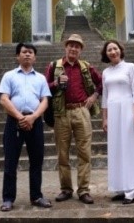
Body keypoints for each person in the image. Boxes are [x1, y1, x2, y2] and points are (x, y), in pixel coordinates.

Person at [44, 33, 103, 204]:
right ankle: (66, 189)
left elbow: (101, 82)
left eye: (77, 46)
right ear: (66, 47)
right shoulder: (54, 66)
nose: (74, 48)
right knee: (62, 154)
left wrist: (94, 96)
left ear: (81, 50)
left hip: (81, 111)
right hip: (61, 113)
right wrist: (55, 83)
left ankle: (83, 190)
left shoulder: (86, 66)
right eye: (71, 45)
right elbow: (43, 88)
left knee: (84, 153)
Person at [0, 42, 52, 212]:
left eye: (30, 52)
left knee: (36, 161)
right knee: (10, 162)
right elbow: (4, 99)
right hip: (15, 122)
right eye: (24, 52)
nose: (27, 54)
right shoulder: (9, 76)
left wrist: (34, 117)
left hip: (35, 122)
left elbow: (45, 100)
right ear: (18, 56)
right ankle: (8, 198)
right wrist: (21, 117)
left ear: (35, 57)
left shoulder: (41, 78)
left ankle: (36, 196)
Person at [100, 40, 134, 204]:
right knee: (116, 149)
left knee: (130, 148)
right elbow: (105, 97)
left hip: (128, 110)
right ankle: (121, 188)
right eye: (109, 50)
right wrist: (105, 118)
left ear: (120, 51)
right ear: (106, 54)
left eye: (115, 48)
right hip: (113, 112)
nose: (112, 52)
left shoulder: (131, 67)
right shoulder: (106, 72)